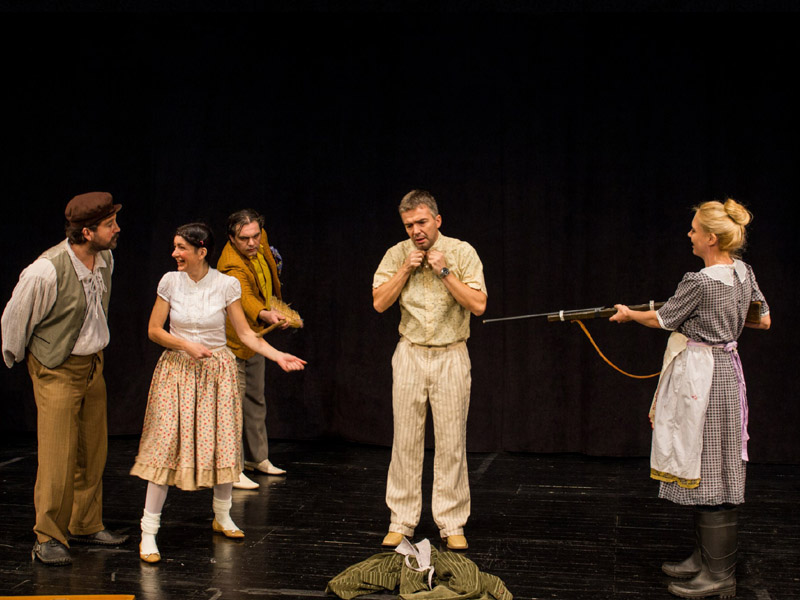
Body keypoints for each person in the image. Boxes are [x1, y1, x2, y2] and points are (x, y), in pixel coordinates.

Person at [610, 198, 770, 598]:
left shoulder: (699, 281)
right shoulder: (743, 272)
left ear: (711, 238)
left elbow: (662, 319)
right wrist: (727, 320)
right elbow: (763, 318)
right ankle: (705, 560)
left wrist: (629, 314)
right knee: (709, 464)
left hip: (704, 377)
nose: (690, 234)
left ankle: (719, 576)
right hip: (725, 373)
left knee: (709, 465)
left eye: (695, 230)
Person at [130, 223, 306, 564]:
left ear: (201, 251)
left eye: (181, 248)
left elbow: (246, 334)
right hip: (178, 372)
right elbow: (154, 330)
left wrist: (278, 355)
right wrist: (185, 345)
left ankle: (223, 515)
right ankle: (148, 531)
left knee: (224, 444)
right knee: (164, 447)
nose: (175, 253)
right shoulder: (169, 282)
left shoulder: (226, 285)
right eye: (174, 246)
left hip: (217, 371)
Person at [1, 192, 127, 566]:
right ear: (87, 232)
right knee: (58, 457)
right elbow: (14, 319)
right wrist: (28, 360)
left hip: (92, 365)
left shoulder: (104, 259)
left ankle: (85, 523)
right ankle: (49, 537)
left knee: (93, 451)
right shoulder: (46, 270)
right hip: (56, 367)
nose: (117, 229)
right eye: (109, 224)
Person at [372, 189, 487, 551]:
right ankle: (401, 520)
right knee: (405, 441)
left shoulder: (461, 252)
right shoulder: (397, 254)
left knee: (451, 442)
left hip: (451, 354)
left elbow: (479, 305)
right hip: (410, 353)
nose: (416, 230)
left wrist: (444, 271)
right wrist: (406, 269)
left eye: (421, 222)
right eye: (409, 225)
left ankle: (452, 522)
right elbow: (379, 303)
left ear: (437, 220)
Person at [217, 209, 296, 490]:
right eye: (244, 238)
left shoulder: (259, 240)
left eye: (255, 236)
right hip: (234, 340)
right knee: (232, 405)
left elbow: (268, 269)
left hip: (255, 335)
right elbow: (246, 297)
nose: (252, 243)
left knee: (255, 399)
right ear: (231, 238)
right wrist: (265, 313)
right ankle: (232, 467)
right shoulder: (230, 265)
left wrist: (273, 304)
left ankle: (257, 457)